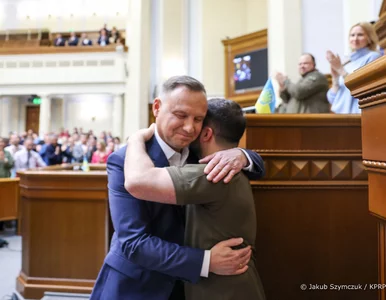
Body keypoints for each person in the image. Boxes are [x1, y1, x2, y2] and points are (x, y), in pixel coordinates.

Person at [90, 76, 265, 300]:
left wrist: (243, 155)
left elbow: (258, 167)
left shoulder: (201, 153)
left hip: (186, 288)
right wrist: (205, 261)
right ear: (157, 107)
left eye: (198, 119)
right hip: (137, 286)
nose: (190, 127)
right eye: (181, 115)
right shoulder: (125, 160)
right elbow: (133, 243)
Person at [326, 22, 381, 113]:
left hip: (358, 116)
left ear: (369, 38)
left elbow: (364, 88)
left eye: (360, 35)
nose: (355, 39)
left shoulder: (373, 57)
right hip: (339, 117)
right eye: (352, 35)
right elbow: (332, 99)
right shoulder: (347, 62)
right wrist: (335, 78)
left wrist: (341, 70)